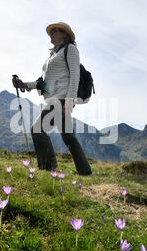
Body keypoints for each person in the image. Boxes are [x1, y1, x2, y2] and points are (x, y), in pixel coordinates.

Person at [12, 22, 92, 176]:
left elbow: (75, 76)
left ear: (65, 35)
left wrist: (69, 101)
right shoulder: (52, 56)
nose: (53, 32)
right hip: (55, 98)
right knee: (68, 137)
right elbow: (45, 84)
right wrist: (24, 84)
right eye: (52, 31)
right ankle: (85, 171)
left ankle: (49, 168)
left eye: (57, 30)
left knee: (37, 129)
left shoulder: (71, 49)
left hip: (61, 100)